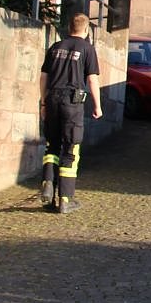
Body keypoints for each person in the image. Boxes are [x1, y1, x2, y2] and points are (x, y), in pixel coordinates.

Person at [39, 12, 102, 214]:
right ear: (86, 30)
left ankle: (48, 183)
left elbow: (43, 77)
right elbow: (92, 79)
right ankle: (65, 199)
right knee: (70, 149)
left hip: (52, 99)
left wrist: (43, 102)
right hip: (72, 103)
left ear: (69, 28)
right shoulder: (87, 49)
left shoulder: (55, 47)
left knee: (52, 146)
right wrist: (97, 105)